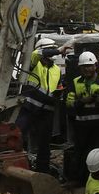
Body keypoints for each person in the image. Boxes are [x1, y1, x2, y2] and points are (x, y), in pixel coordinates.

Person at [64, 50, 99, 185]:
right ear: (80, 68)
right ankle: (78, 180)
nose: (87, 69)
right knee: (80, 153)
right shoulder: (76, 82)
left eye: (89, 66)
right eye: (84, 67)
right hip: (82, 126)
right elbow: (68, 103)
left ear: (95, 65)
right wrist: (82, 101)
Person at [16, 38, 64, 175]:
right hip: (29, 109)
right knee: (19, 136)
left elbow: (58, 86)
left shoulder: (56, 69)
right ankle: (18, 166)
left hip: (47, 111)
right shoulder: (33, 63)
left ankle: (42, 170)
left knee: (44, 144)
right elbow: (36, 54)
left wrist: (59, 92)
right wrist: (60, 49)